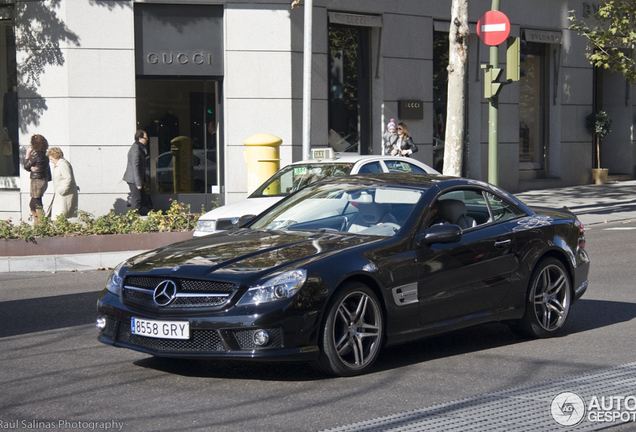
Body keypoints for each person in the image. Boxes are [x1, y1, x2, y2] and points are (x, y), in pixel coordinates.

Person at [123, 130, 152, 215]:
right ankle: (134, 221)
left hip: (137, 179)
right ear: (140, 138)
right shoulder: (136, 149)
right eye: (146, 138)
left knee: (144, 199)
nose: (147, 140)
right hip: (134, 180)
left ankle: (149, 216)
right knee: (137, 199)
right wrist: (138, 183)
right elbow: (135, 167)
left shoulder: (140, 148)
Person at [23, 134, 51, 222]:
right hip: (43, 179)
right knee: (32, 204)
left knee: (36, 200)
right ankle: (37, 222)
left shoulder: (35, 154)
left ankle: (41, 222)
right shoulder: (45, 154)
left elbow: (26, 165)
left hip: (36, 180)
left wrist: (27, 154)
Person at [46, 147, 78, 219]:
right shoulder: (59, 164)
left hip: (64, 194)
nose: (51, 161)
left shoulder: (63, 164)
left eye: (51, 159)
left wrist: (62, 190)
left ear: (56, 156)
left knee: (59, 217)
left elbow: (68, 178)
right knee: (59, 217)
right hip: (60, 194)